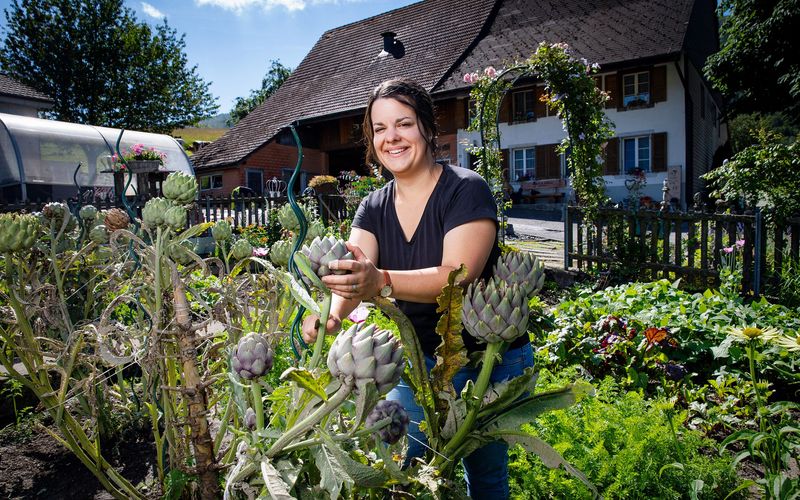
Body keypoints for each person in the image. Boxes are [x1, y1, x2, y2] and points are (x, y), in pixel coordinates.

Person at [302, 78, 533, 499]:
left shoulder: (465, 189)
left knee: (483, 473)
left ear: (426, 127)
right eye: (380, 128)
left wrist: (382, 281)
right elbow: (356, 272)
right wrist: (332, 314)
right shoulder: (372, 206)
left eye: (403, 123)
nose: (392, 137)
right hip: (416, 359)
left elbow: (458, 275)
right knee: (412, 468)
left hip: (486, 359)